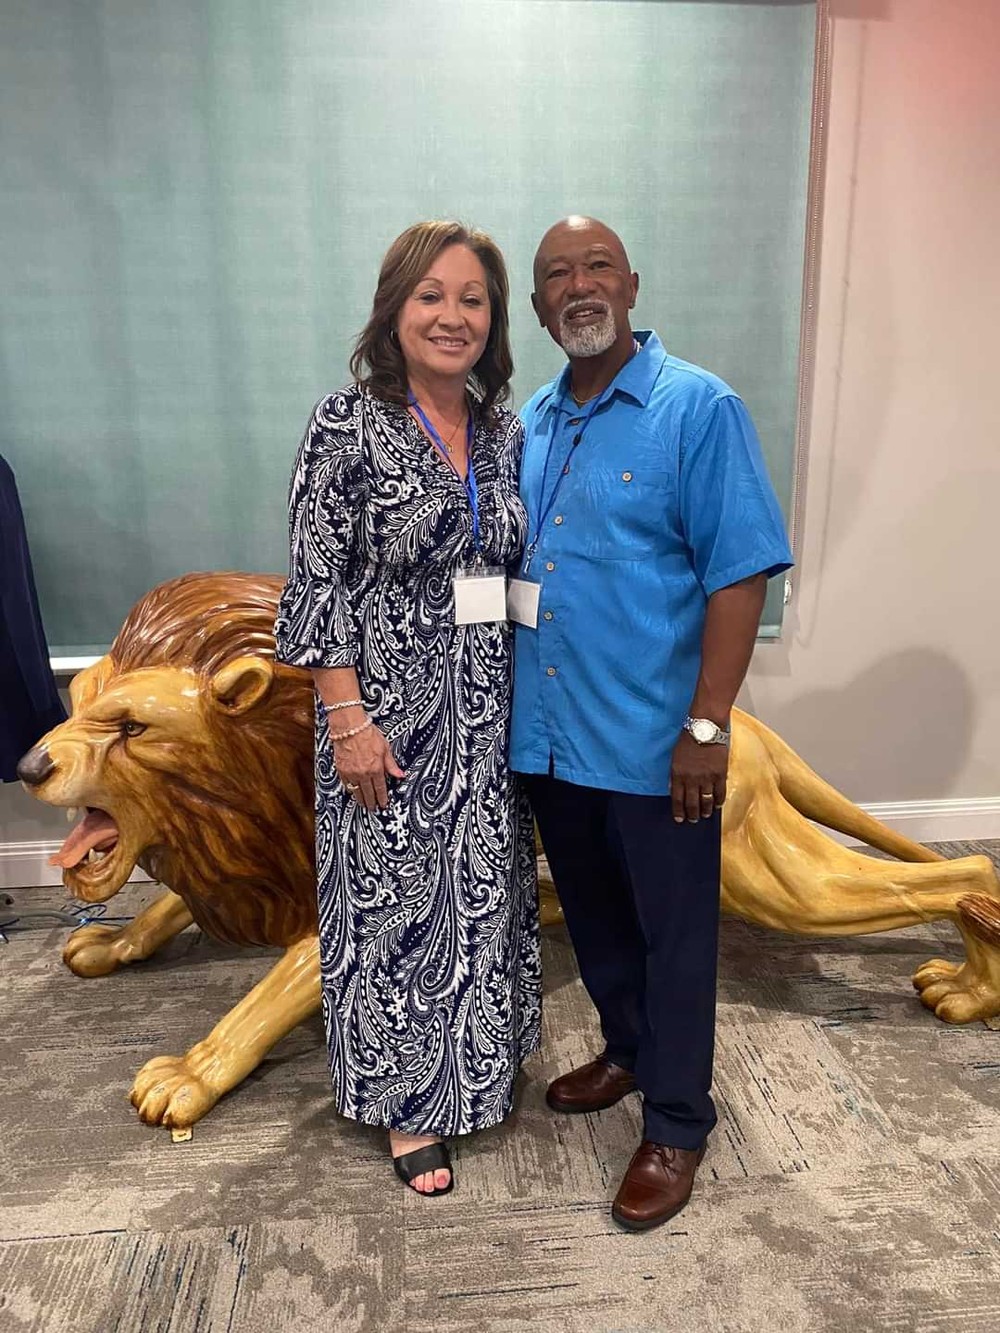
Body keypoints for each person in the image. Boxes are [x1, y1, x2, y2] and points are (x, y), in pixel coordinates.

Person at [510, 216, 793, 1231]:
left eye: (597, 267)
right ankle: (628, 1049)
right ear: (537, 305)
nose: (578, 286)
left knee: (675, 938)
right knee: (592, 918)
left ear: (631, 284)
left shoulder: (698, 408)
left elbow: (739, 573)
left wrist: (708, 728)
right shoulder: (532, 421)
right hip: (550, 736)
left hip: (653, 741)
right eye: (557, 274)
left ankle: (676, 1121)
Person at [274, 221, 540, 1198]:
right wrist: (346, 721)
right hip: (383, 717)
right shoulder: (345, 426)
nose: (452, 316)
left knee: (479, 897)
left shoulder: (505, 432)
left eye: (473, 299)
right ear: (394, 309)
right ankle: (407, 1106)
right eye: (432, 295)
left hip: (488, 714)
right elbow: (318, 583)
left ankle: (479, 1069)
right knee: (392, 912)